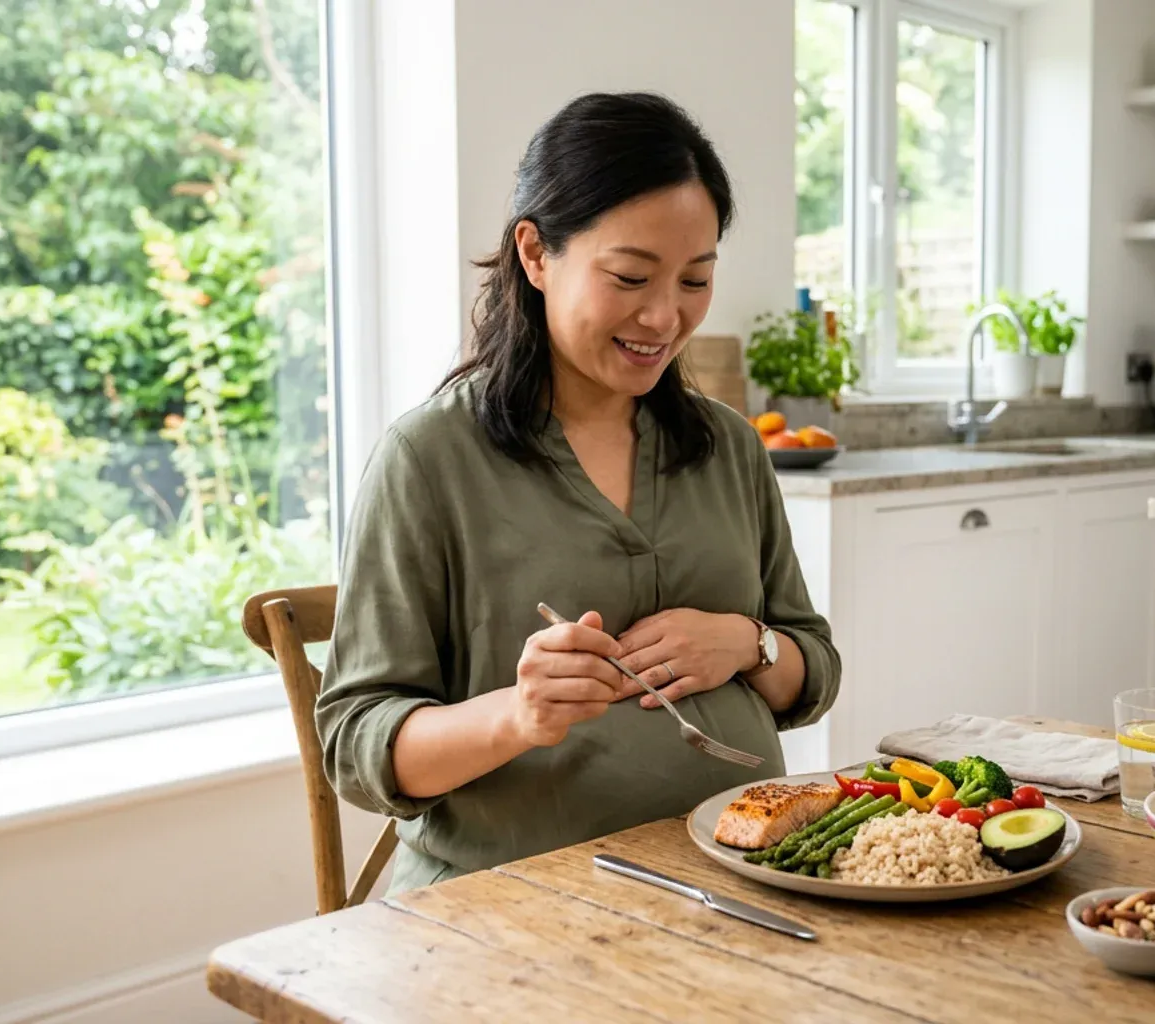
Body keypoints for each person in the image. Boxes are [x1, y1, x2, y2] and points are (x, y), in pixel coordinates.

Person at [317, 92, 840, 893]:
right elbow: (356, 747)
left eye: (696, 280)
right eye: (630, 276)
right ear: (534, 253)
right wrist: (518, 715)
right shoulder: (428, 458)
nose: (665, 317)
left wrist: (749, 642)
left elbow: (816, 672)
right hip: (513, 906)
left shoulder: (728, 445)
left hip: (737, 885)